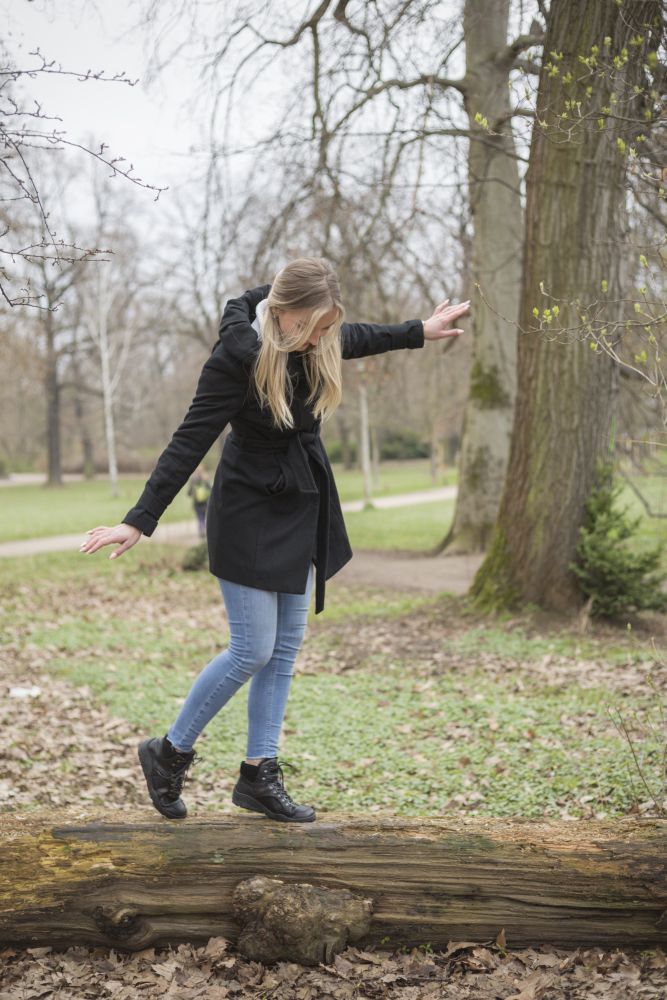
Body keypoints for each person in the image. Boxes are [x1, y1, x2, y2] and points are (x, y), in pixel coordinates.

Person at [80, 257, 470, 823]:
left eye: (326, 328)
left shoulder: (318, 336)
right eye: (310, 326)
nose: (319, 339)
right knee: (252, 648)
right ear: (281, 314)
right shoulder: (237, 355)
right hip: (245, 510)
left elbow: (355, 337)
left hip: (297, 501)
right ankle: (167, 752)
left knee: (284, 650)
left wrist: (418, 332)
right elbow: (189, 439)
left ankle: (258, 774)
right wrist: (140, 519)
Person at [187, 465, 212, 538]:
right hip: (204, 503)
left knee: (199, 517)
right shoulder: (205, 479)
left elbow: (189, 493)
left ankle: (201, 530)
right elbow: (210, 489)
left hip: (196, 503)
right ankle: (203, 529)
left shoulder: (193, 480)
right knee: (203, 517)